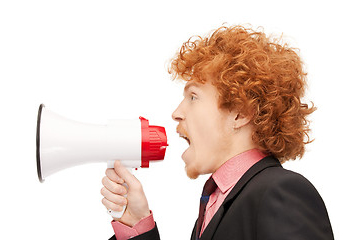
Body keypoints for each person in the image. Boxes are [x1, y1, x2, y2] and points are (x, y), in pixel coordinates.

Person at [100, 24, 334, 240]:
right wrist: (137, 225)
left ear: (240, 113)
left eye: (193, 97)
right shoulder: (217, 201)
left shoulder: (282, 193)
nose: (176, 113)